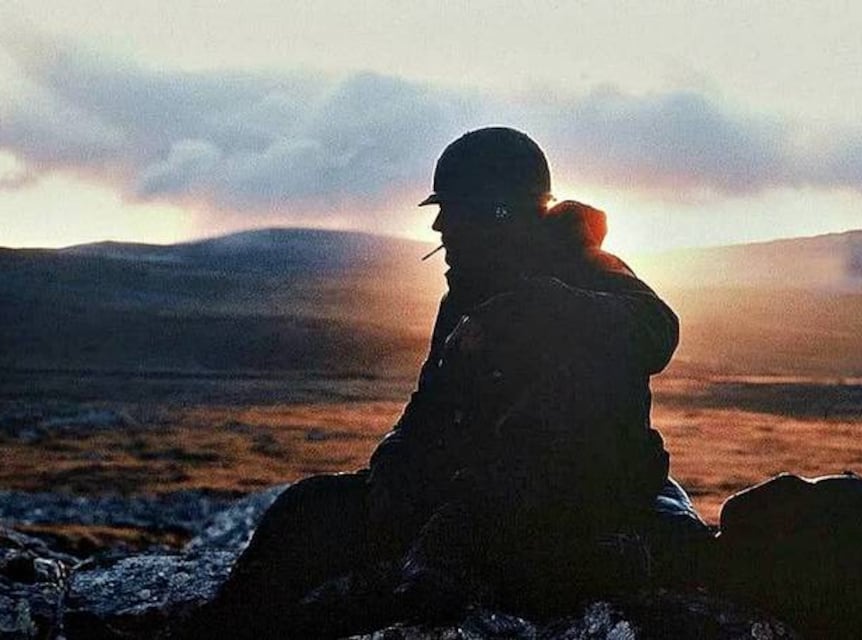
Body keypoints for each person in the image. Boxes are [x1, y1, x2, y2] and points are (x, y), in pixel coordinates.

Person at [191, 127, 707, 639]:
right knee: (308, 510)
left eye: (452, 209)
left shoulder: (589, 271)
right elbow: (432, 399)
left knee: (430, 577)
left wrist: (525, 309)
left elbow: (655, 330)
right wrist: (394, 463)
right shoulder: (464, 294)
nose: (439, 226)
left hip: (570, 498)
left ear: (497, 213)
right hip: (473, 487)